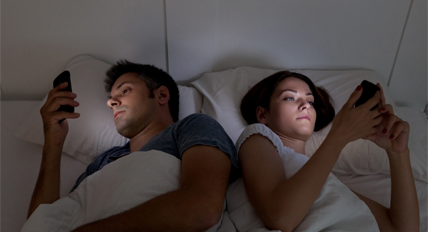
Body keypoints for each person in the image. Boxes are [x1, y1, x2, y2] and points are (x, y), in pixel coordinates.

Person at [27, 60, 240, 231]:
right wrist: (53, 145)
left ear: (162, 95)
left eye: (125, 91)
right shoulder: (103, 162)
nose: (111, 102)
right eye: (111, 99)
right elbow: (44, 222)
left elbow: (202, 209)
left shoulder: (192, 127)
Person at [237, 71, 419, 232]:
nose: (305, 105)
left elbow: (402, 229)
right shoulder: (256, 137)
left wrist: (398, 154)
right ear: (262, 115)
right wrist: (339, 136)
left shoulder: (328, 182)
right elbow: (280, 219)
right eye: (290, 98)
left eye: (310, 101)